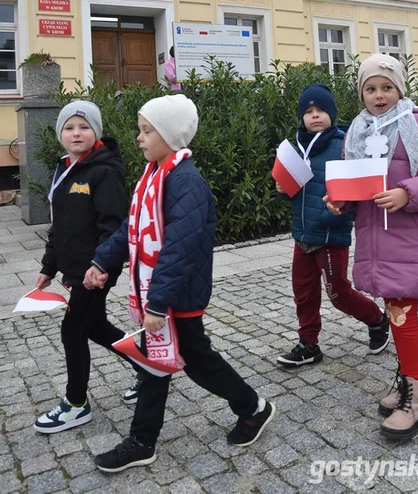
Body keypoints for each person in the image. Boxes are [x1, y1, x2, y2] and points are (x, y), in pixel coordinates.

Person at [84, 94, 275, 473]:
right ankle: (142, 440)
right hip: (160, 293)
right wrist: (102, 259)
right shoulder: (154, 175)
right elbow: (133, 228)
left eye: (146, 130)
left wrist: (158, 303)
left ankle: (253, 408)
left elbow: (180, 248)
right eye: (140, 130)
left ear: (170, 136)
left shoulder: (185, 182)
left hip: (176, 295)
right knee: (157, 361)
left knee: (198, 360)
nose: (139, 137)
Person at [324, 54, 418, 440]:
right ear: (362, 93)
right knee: (396, 311)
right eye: (370, 88)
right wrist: (339, 200)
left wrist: (406, 192)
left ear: (400, 88)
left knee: (402, 316)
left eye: (386, 87)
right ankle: (410, 379)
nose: (378, 95)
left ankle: (414, 401)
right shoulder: (359, 131)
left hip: (411, 237)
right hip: (376, 239)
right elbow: (356, 185)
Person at [33, 101, 136, 434]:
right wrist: (49, 266)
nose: (76, 133)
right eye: (69, 127)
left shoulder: (104, 170)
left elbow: (113, 225)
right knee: (95, 327)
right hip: (75, 268)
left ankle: (76, 404)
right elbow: (59, 225)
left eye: (84, 126)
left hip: (96, 271)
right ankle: (149, 367)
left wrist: (100, 264)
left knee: (73, 330)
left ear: (96, 131)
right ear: (60, 134)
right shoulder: (64, 168)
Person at [276, 84, 389, 368]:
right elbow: (296, 189)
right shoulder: (297, 146)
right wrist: (282, 188)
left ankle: (377, 319)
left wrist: (343, 207)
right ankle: (309, 344)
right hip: (302, 234)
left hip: (330, 234)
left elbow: (358, 187)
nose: (315, 116)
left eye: (321, 110)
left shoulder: (344, 145)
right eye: (309, 111)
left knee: (338, 294)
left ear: (332, 113)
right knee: (303, 292)